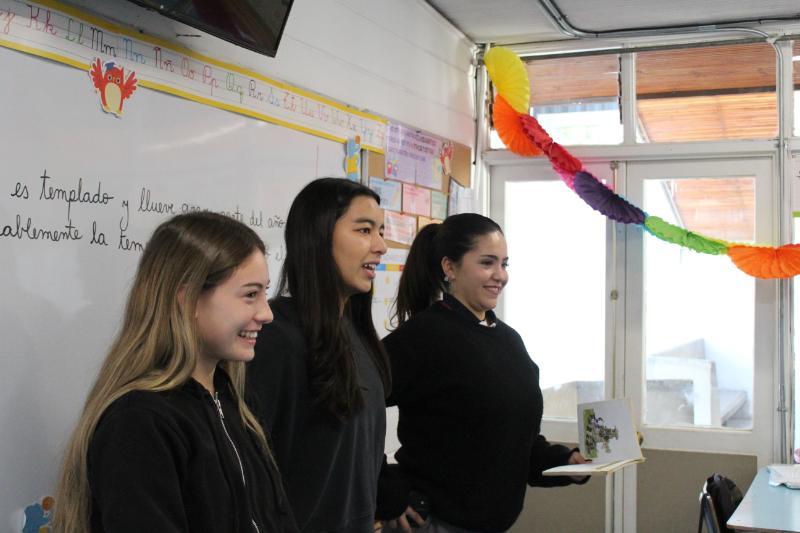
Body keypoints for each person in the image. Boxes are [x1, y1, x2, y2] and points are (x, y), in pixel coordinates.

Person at [53, 212, 297, 533]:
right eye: (250, 295)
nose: (266, 313)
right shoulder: (139, 423)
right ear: (187, 299)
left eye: (265, 292)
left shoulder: (235, 400)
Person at [377, 214, 589, 533]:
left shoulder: (508, 340)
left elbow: (514, 440)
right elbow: (348, 411)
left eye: (504, 264)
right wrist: (386, 490)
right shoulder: (423, 336)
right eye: (487, 263)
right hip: (434, 523)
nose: (500, 275)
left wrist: (564, 462)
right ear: (449, 267)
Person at [246, 178, 392, 532]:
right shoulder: (275, 339)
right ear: (318, 236)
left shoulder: (355, 333)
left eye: (381, 231)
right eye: (364, 230)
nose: (381, 246)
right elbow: (250, 475)